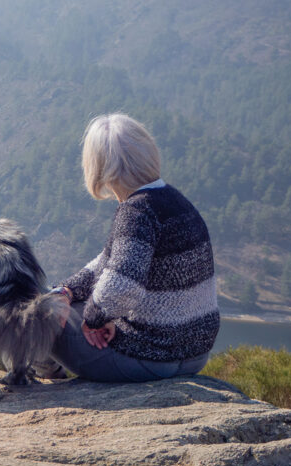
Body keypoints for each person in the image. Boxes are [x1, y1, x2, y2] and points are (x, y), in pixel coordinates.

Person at [49, 113, 219, 382]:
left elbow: (121, 284)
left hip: (148, 360)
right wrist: (67, 290)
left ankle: (47, 376)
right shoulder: (174, 201)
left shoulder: (137, 212)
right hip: (192, 356)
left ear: (99, 166)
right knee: (60, 302)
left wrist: (93, 320)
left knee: (39, 314)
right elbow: (108, 262)